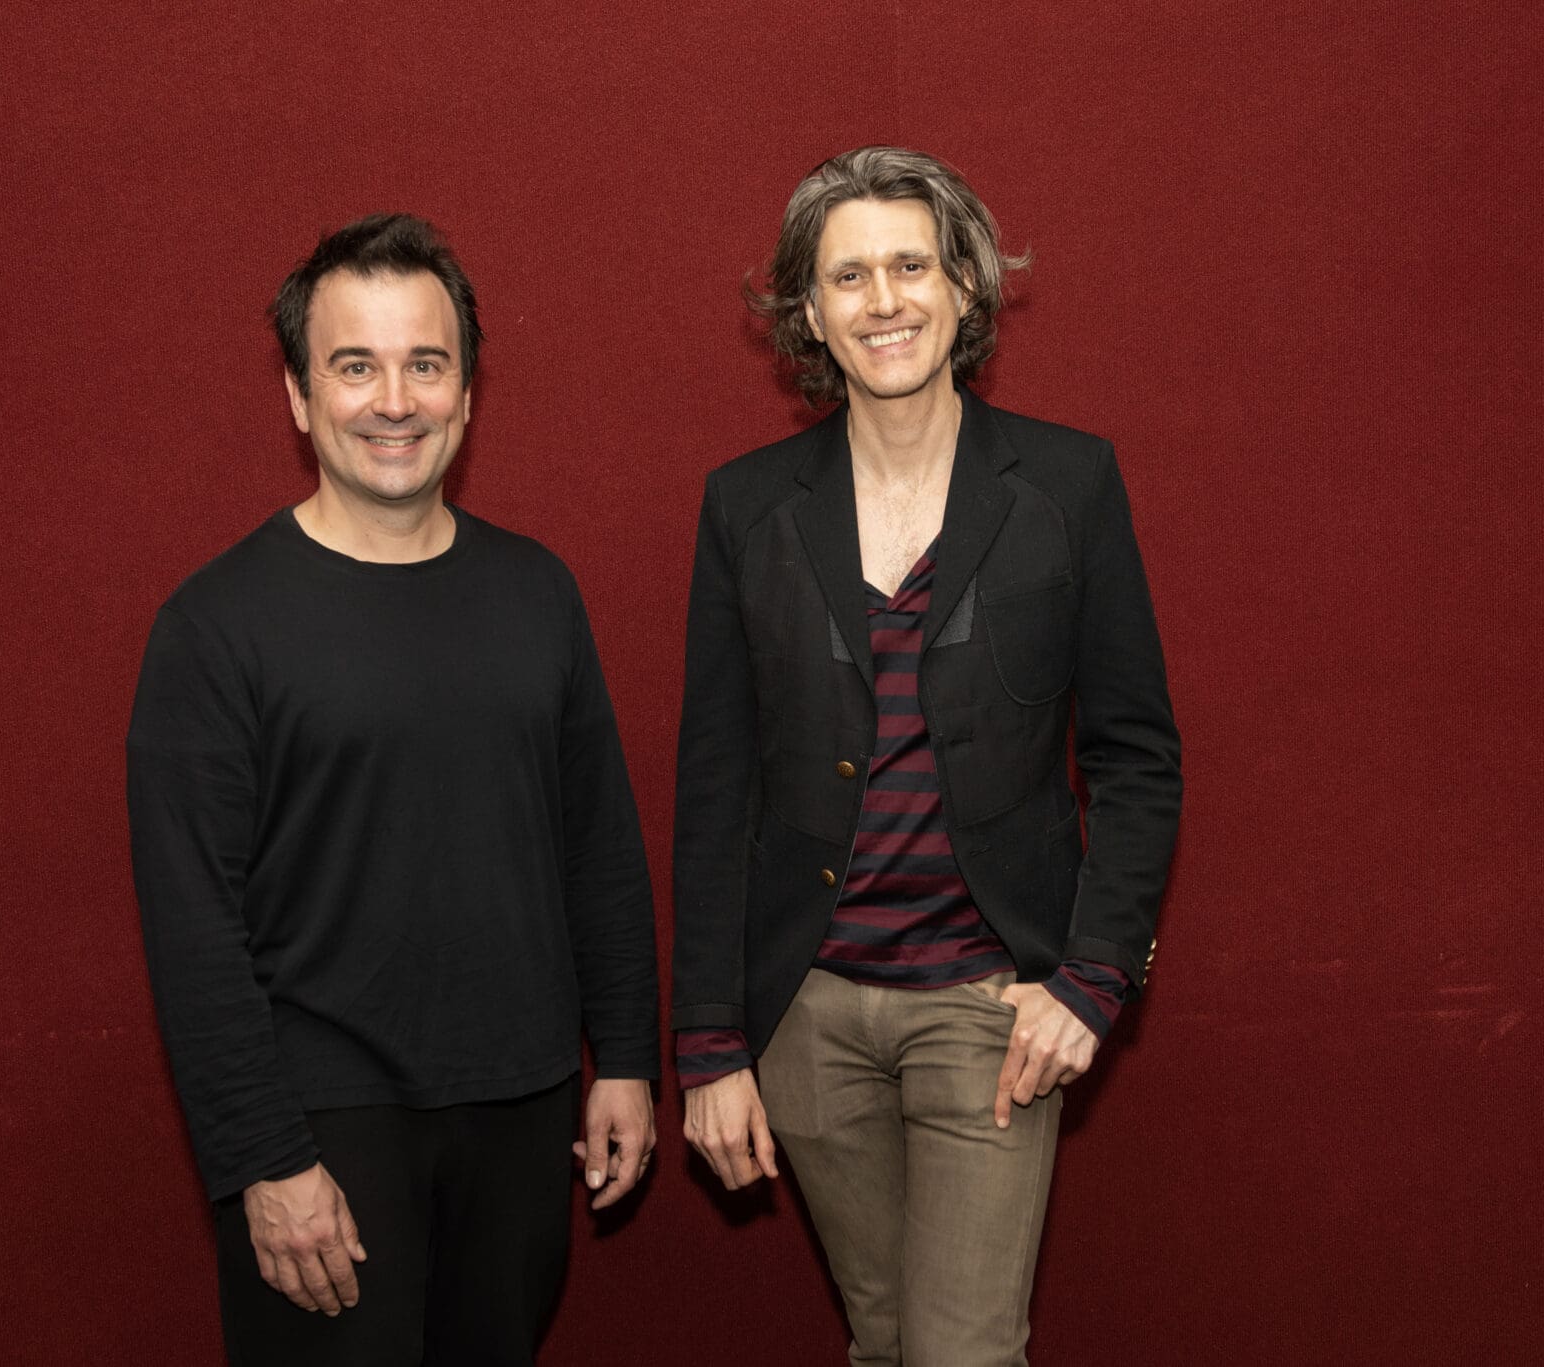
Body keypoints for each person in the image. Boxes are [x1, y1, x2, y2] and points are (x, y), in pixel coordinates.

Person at [672, 147, 1182, 1366]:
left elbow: (1135, 751)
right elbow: (714, 787)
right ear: (808, 311)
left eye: (909, 265)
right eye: (847, 275)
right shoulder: (745, 505)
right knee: (887, 1337)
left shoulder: (1066, 482)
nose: (882, 300)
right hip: (806, 1011)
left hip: (987, 1003)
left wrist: (1092, 978)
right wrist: (708, 1043)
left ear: (963, 285)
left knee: (961, 1352)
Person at [127, 213, 657, 1366]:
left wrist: (623, 1056)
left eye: (425, 362)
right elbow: (192, 926)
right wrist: (264, 1156)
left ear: (466, 390)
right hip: (320, 1125)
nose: (394, 400)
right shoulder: (214, 627)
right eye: (354, 365)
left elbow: (598, 849)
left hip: (521, 1109)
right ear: (297, 393)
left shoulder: (537, 592)